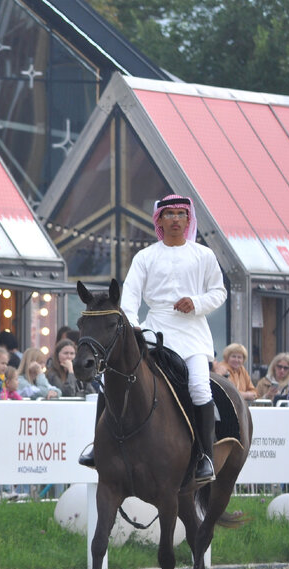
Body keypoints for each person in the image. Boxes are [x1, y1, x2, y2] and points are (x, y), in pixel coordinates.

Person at [79, 194, 226, 483]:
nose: (174, 219)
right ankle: (98, 447)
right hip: (154, 330)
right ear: (159, 220)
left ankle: (205, 457)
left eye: (180, 214)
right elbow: (129, 298)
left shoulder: (204, 255)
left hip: (193, 334)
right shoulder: (145, 256)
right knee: (114, 379)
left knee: (199, 386)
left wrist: (196, 303)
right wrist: (132, 329)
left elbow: (218, 292)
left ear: (188, 219)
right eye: (168, 214)